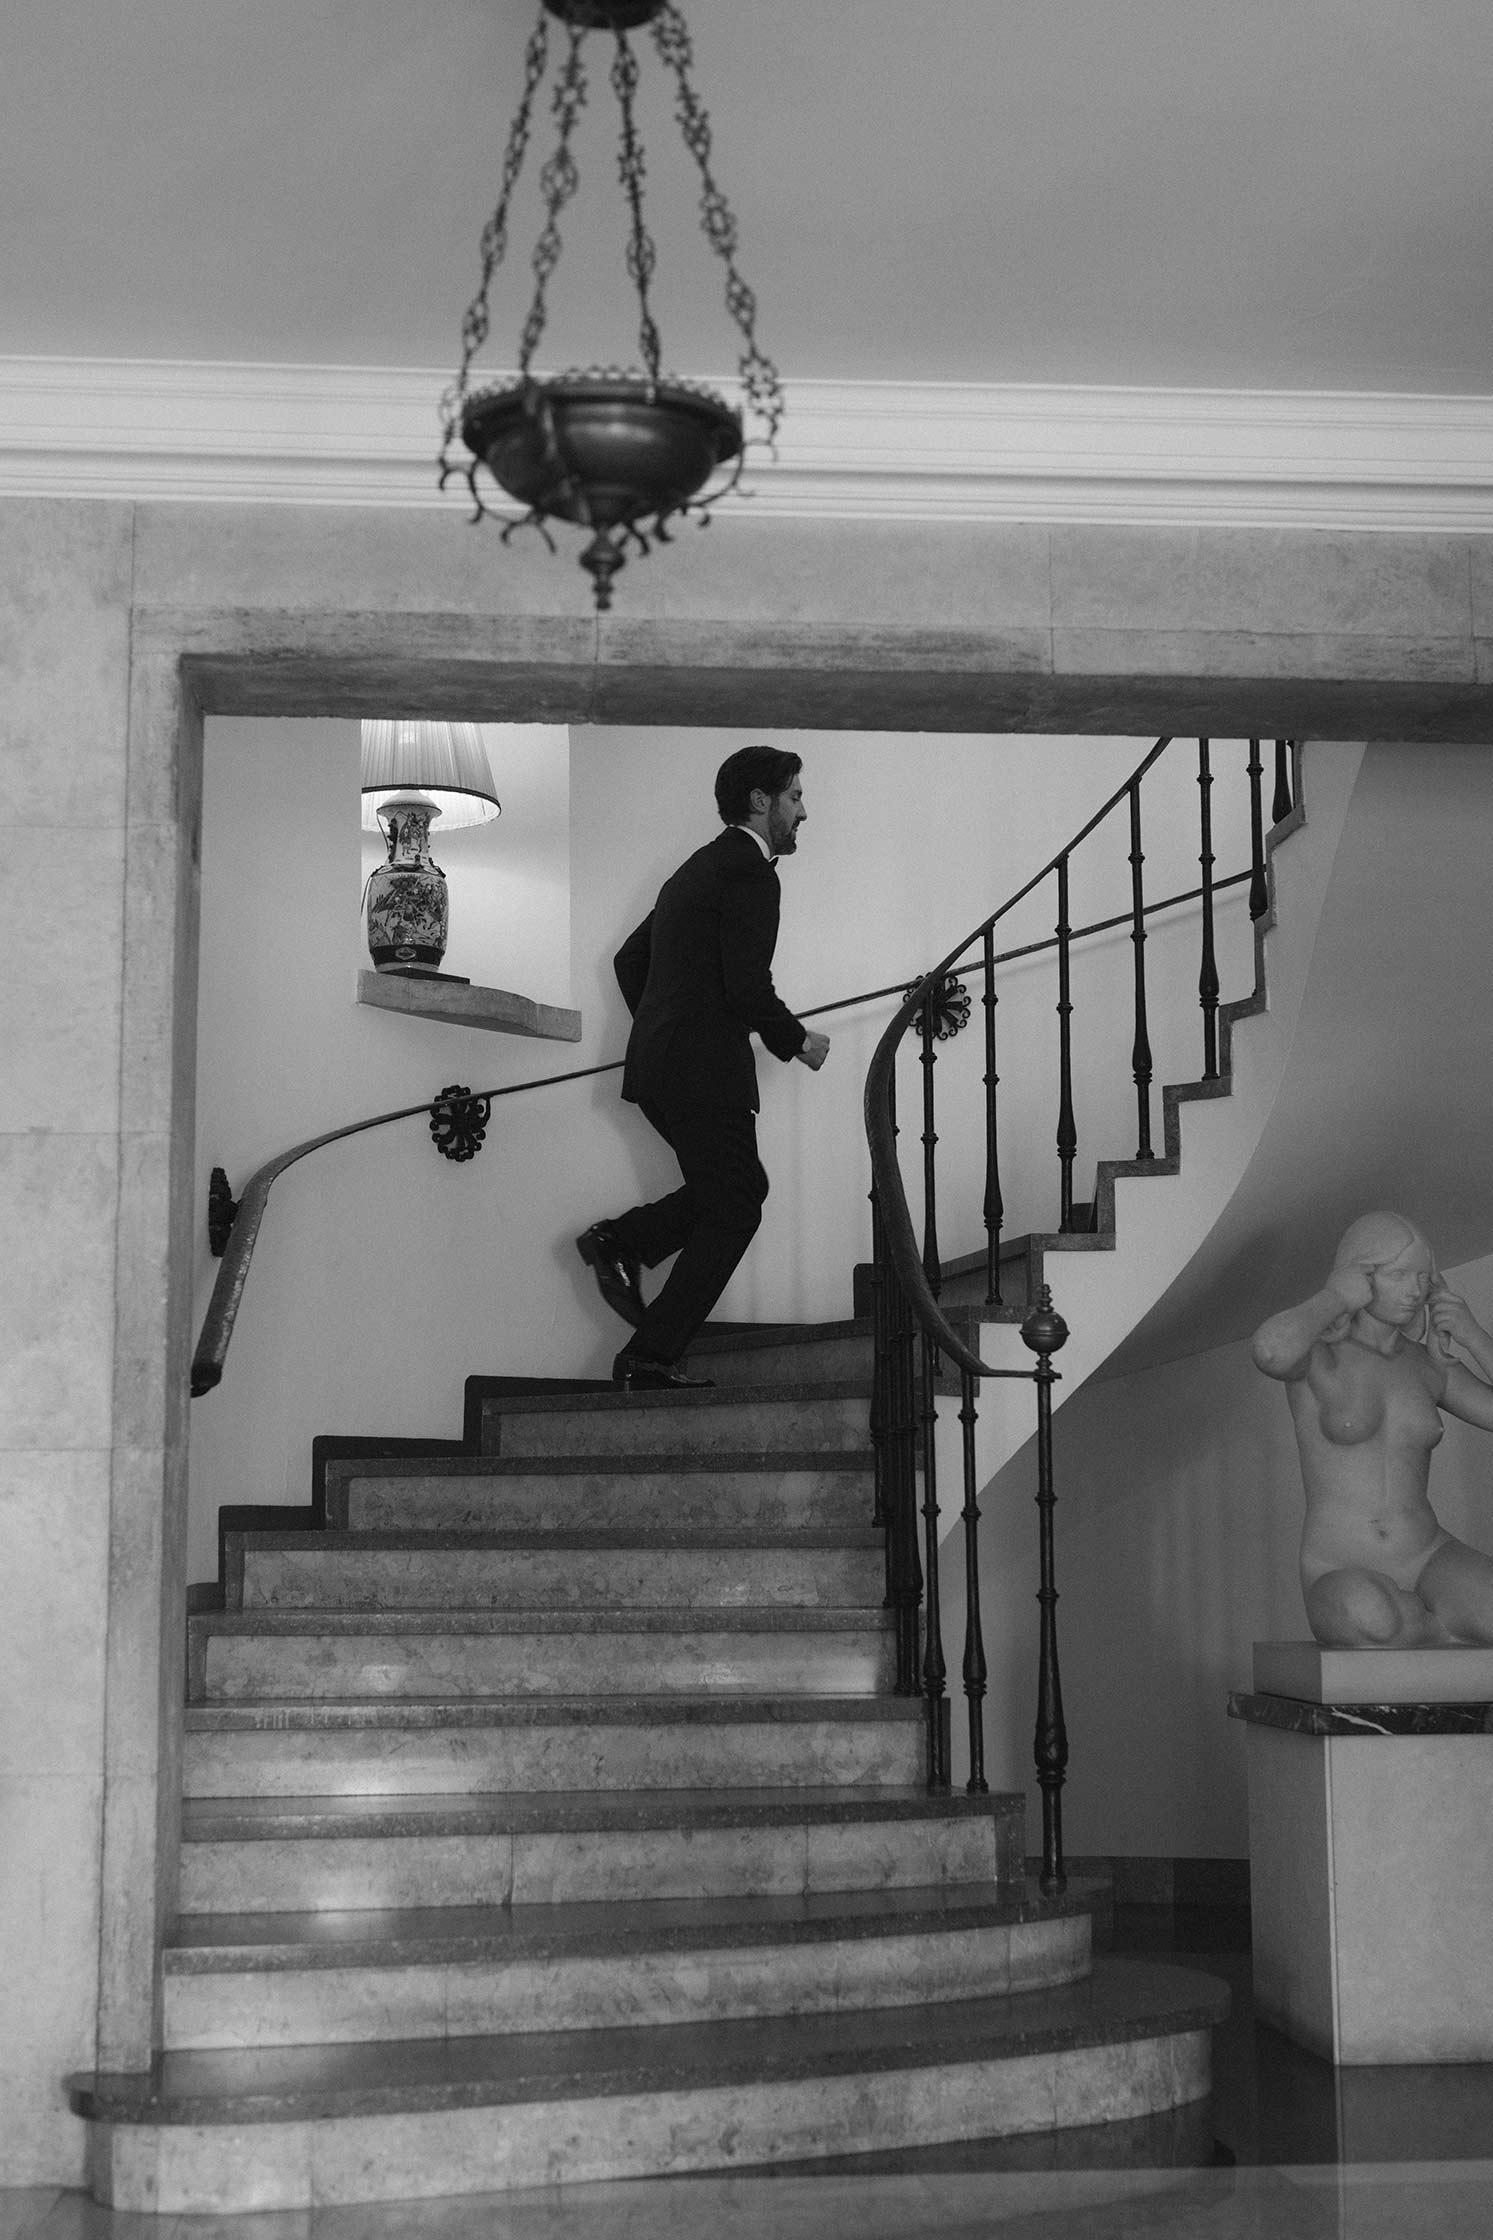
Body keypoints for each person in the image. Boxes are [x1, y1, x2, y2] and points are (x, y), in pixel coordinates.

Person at [577, 744, 831, 1392]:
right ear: (760, 800)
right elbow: (746, 987)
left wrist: (667, 1028)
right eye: (795, 796)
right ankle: (648, 1355)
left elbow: (630, 964)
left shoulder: (696, 870)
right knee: (737, 1205)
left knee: (738, 1191)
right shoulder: (748, 873)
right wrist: (795, 1041)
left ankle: (623, 1242)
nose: (803, 811)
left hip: (665, 1069)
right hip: (700, 1072)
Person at [1251, 1211, 1493, 1647]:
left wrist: (1474, 1336)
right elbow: (1269, 1351)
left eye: (1424, 1277)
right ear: (1360, 1276)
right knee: (1370, 1617)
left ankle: (1428, 1625)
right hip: (1340, 1563)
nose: (1416, 1290)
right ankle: (1444, 1628)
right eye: (1399, 1274)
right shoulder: (1318, 1356)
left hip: (1428, 1555)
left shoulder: (1426, 1366)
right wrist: (1333, 1298)